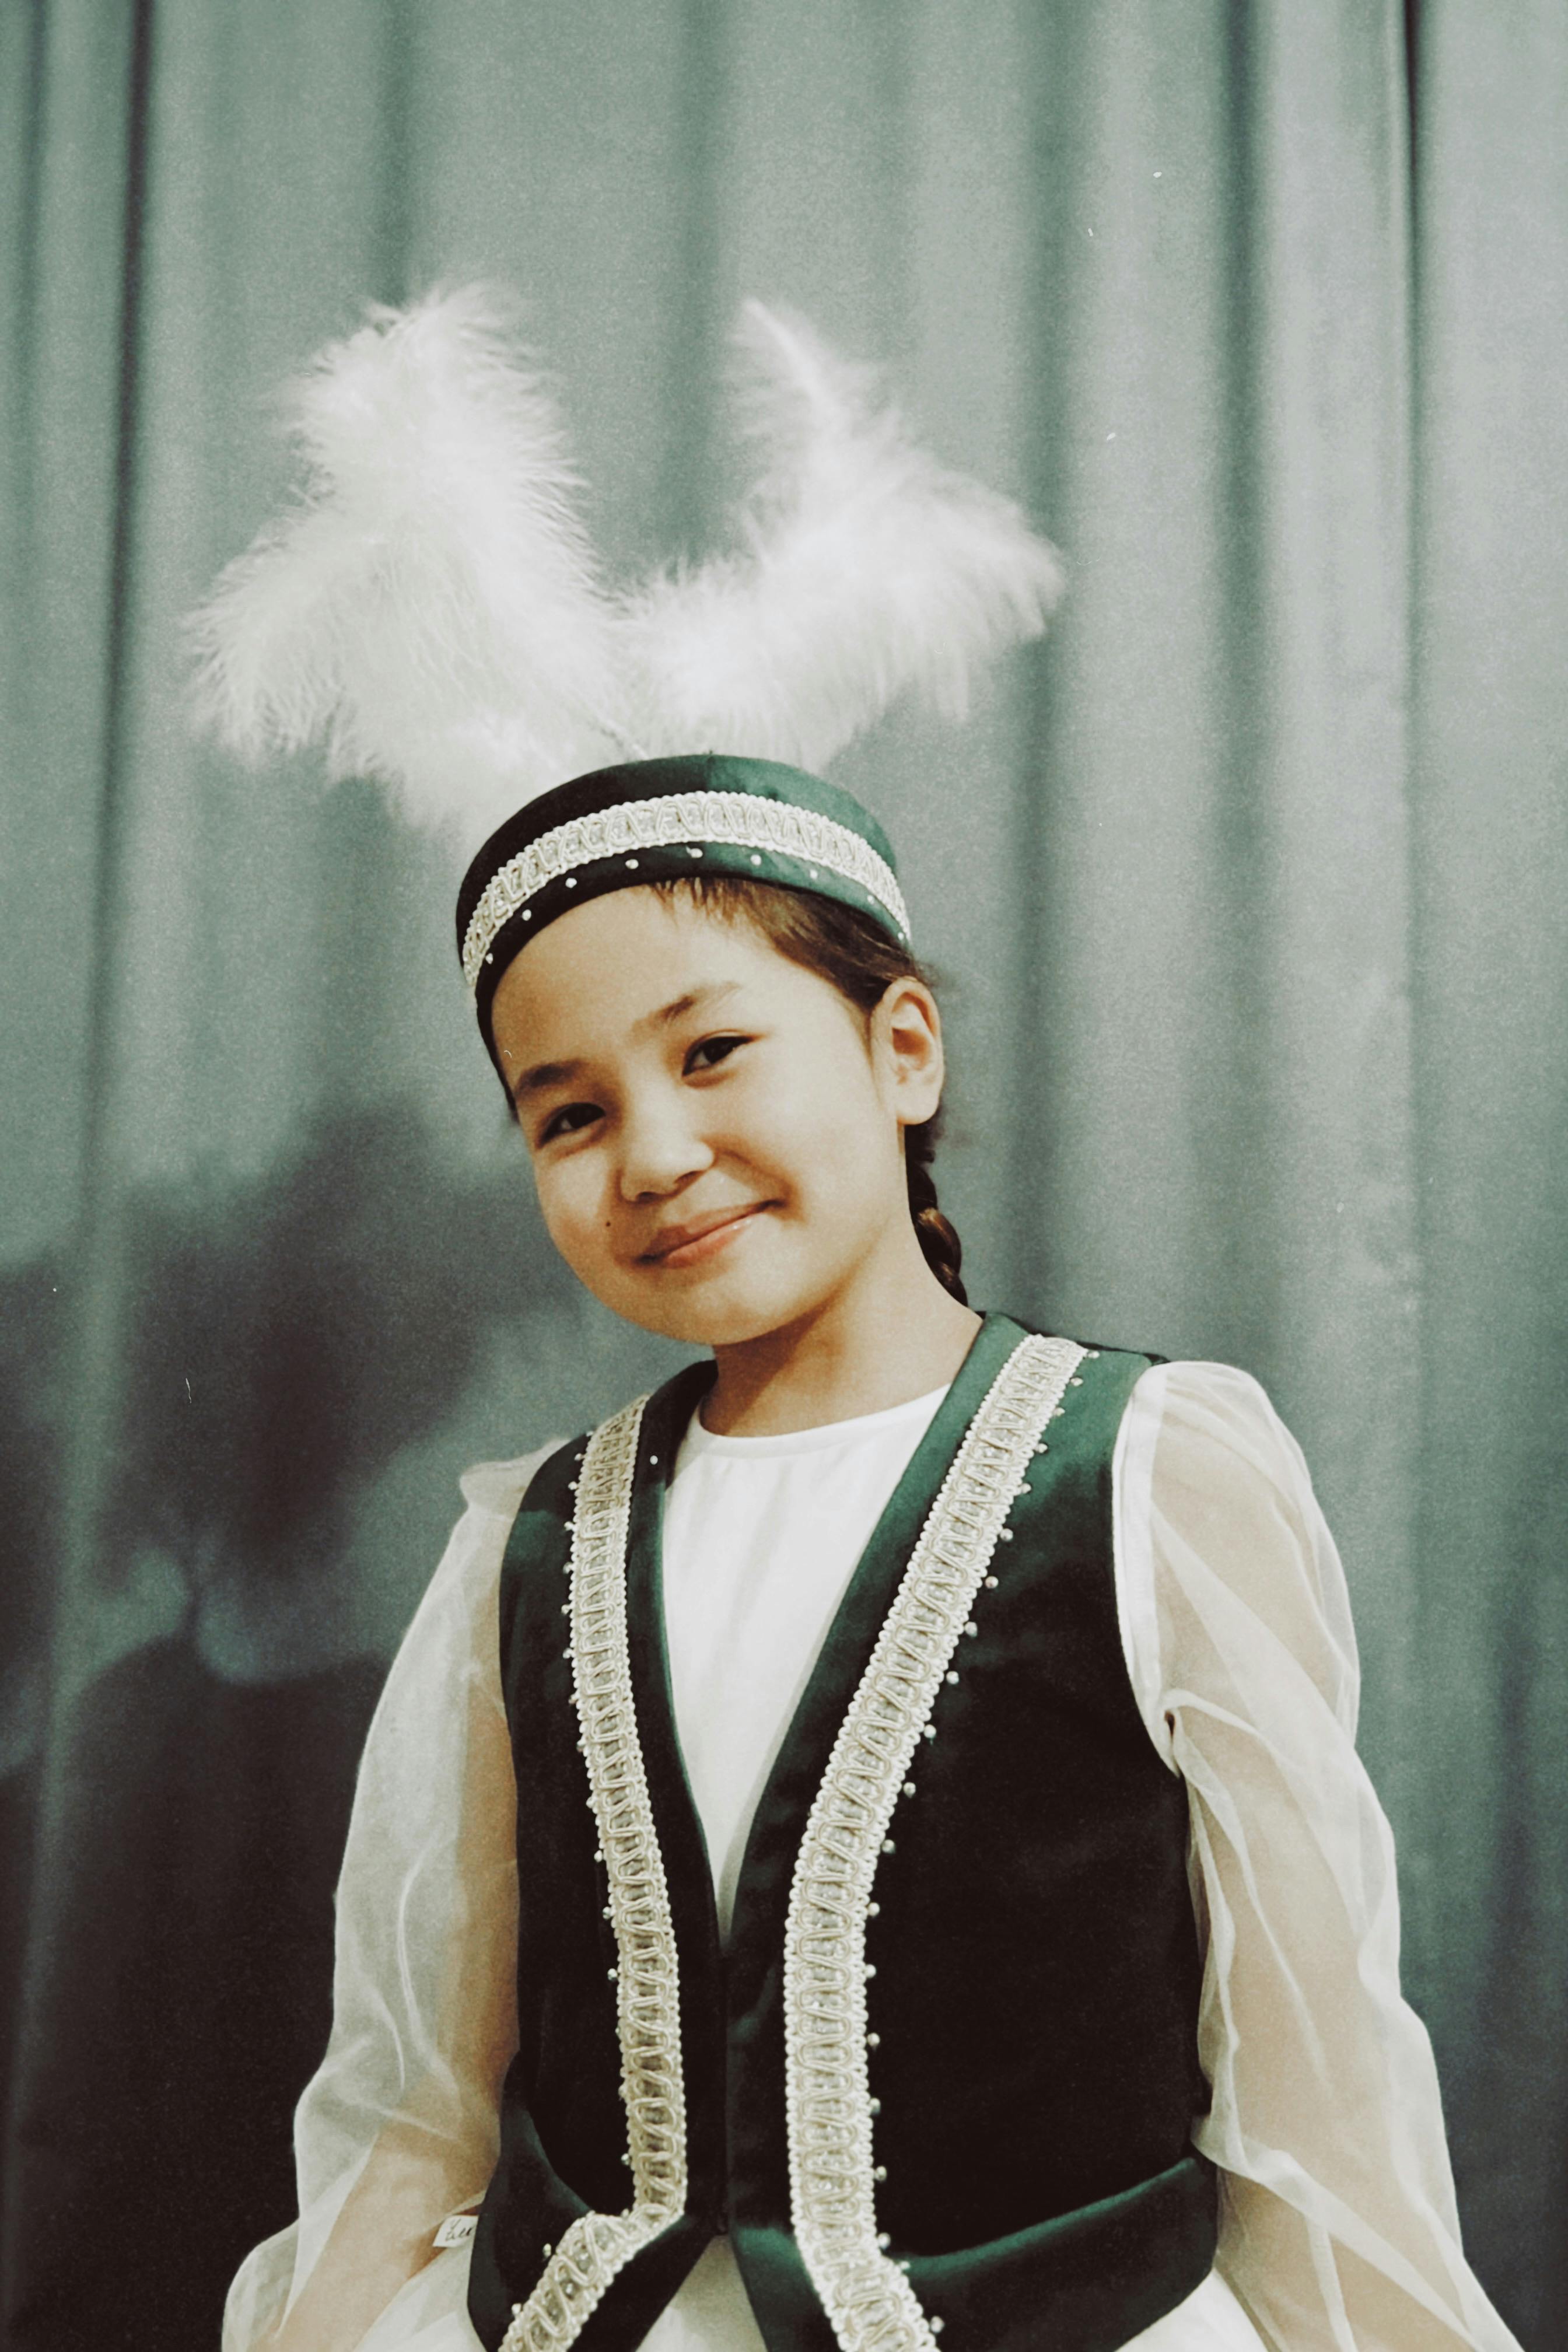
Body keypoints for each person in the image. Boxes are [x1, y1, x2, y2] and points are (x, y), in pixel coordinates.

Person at [198, 299, 1524, 2352]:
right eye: (569, 1113)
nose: (656, 1153)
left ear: (901, 1048)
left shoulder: (1151, 1478)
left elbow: (1314, 2103)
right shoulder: (527, 1550)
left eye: (715, 1048)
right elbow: (418, 2103)